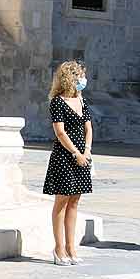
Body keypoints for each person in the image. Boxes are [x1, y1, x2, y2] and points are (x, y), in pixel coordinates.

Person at [45, 61, 94, 265]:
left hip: (82, 157)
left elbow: (88, 128)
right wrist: (75, 153)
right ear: (71, 78)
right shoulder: (57, 102)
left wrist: (87, 150)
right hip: (65, 157)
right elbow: (60, 131)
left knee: (74, 201)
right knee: (61, 202)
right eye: (81, 75)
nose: (84, 79)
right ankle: (58, 248)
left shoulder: (82, 102)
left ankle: (71, 246)